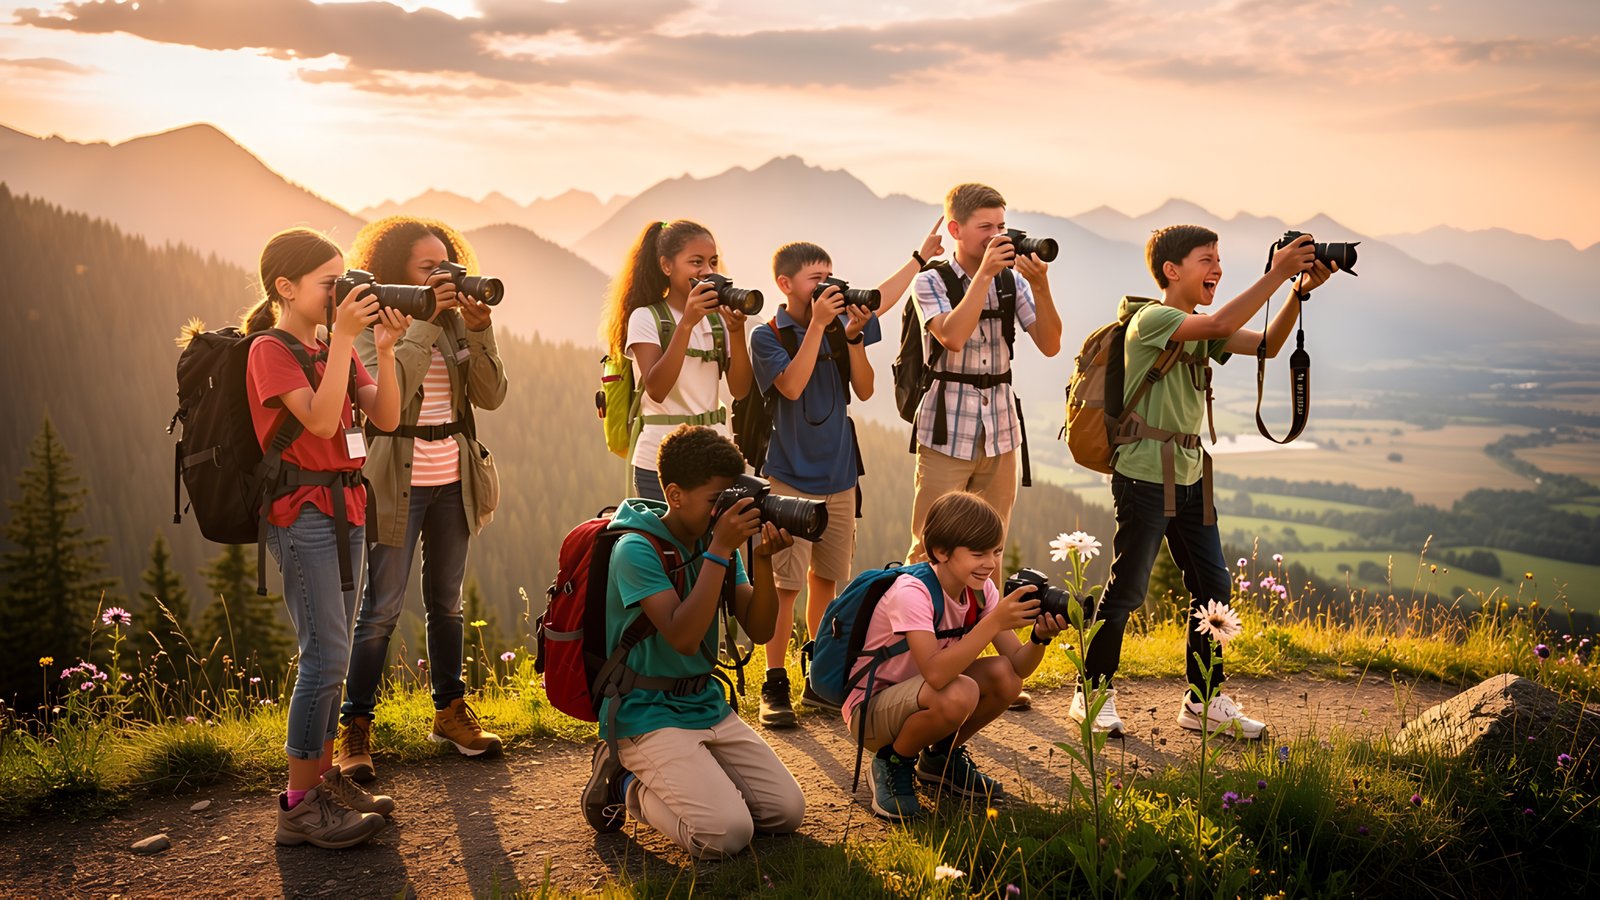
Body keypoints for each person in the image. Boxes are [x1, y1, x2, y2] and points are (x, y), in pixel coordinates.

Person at [1074, 225, 1335, 739]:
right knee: (1127, 590)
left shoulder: (1197, 325)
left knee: (1213, 591)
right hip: (1144, 475)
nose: (1217, 267)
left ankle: (1203, 701)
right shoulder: (1152, 319)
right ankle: (1092, 692)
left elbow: (1268, 345)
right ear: (1172, 271)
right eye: (1206, 259)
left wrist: (1295, 292)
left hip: (1191, 477)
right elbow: (1219, 321)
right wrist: (1279, 270)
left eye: (1219, 258)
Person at [238, 227, 405, 848]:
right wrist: (347, 343)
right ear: (285, 288)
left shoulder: (337, 345)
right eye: (329, 284)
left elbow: (384, 418)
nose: (342, 294)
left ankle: (326, 778)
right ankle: (299, 805)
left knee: (331, 656)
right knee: (326, 655)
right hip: (301, 512)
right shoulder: (269, 351)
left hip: (346, 507)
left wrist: (383, 350)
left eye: (344, 281)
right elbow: (317, 415)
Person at [334, 217, 509, 781]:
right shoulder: (375, 321)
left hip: (453, 476)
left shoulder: (458, 324)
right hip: (395, 479)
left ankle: (449, 711)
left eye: (448, 266)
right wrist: (424, 323)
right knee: (380, 608)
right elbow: (389, 397)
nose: (444, 278)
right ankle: (355, 725)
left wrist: (479, 330)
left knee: (447, 602)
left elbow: (491, 395)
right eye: (428, 269)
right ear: (397, 274)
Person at [748, 225, 943, 724]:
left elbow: (867, 384)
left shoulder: (839, 325)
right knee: (786, 586)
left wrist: (854, 336)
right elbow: (791, 388)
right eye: (816, 280)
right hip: (788, 477)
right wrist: (817, 326)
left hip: (839, 477)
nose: (827, 288)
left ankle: (820, 676)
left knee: (826, 582)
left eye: (830, 277)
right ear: (784, 283)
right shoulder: (767, 336)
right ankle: (775, 684)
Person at [581, 425, 805, 858]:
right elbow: (683, 637)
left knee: (785, 812)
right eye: (714, 502)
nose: (723, 514)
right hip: (644, 712)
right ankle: (624, 781)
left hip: (703, 703)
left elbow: (758, 630)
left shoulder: (716, 540)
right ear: (675, 494)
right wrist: (719, 550)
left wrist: (762, 561)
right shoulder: (635, 549)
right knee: (727, 834)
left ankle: (698, 774)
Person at [847, 491, 1066, 820]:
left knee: (1005, 678)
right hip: (873, 713)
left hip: (923, 697)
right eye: (978, 553)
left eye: (996, 551)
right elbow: (936, 675)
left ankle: (939, 759)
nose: (990, 564)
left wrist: (1039, 638)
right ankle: (891, 762)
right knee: (959, 691)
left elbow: (1019, 666)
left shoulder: (981, 591)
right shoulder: (912, 592)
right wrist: (992, 622)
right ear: (941, 551)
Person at [904, 183, 1063, 567]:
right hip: (946, 431)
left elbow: (1050, 343)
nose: (997, 236)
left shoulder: (1013, 281)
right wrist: (984, 277)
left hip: (1002, 429)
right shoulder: (930, 281)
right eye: (985, 227)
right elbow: (953, 336)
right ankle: (913, 623)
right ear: (956, 230)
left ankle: (984, 627)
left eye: (1001, 226)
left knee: (992, 546)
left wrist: (1041, 286)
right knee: (930, 544)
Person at [598, 220, 753, 501]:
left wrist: (736, 331)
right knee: (666, 545)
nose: (706, 271)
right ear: (667, 266)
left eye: (713, 262)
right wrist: (687, 325)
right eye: (696, 262)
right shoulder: (646, 318)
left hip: (714, 457)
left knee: (715, 544)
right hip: (660, 463)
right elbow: (656, 389)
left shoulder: (718, 320)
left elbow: (741, 390)